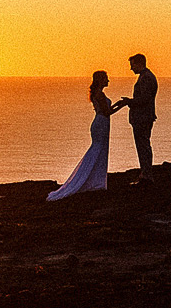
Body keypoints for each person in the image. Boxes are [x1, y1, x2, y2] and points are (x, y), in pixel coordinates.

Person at [48, 71, 126, 201]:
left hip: (101, 123)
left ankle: (96, 180)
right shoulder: (99, 94)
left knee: (99, 151)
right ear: (101, 80)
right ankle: (91, 180)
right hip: (101, 123)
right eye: (106, 79)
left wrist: (118, 104)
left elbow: (106, 109)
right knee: (97, 151)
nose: (108, 81)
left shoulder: (97, 93)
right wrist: (122, 106)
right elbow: (107, 112)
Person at [121, 53, 158, 181]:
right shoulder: (146, 76)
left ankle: (146, 174)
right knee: (144, 145)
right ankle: (145, 173)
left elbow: (144, 99)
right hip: (144, 117)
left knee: (143, 146)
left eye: (132, 65)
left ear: (139, 63)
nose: (131, 69)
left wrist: (129, 102)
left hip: (142, 117)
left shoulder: (146, 78)